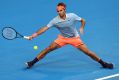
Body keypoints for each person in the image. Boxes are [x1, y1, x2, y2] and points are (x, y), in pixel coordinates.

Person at [26, 2, 114, 69]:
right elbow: (45, 28)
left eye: (61, 10)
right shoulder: (55, 20)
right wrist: (34, 35)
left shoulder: (72, 16)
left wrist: (82, 28)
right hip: (63, 38)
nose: (59, 12)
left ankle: (104, 64)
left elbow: (83, 20)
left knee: (88, 52)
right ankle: (32, 63)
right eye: (58, 11)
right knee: (48, 49)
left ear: (65, 10)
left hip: (74, 38)